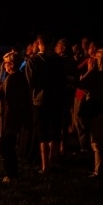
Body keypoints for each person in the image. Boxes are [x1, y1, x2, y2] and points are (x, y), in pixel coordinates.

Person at [25, 33, 69, 173]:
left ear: (39, 43)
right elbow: (63, 81)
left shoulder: (34, 61)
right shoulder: (60, 61)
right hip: (56, 99)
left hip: (39, 100)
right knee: (54, 130)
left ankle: (45, 166)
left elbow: (30, 82)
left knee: (42, 132)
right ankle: (52, 161)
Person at [0, 51, 32, 183]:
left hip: (10, 118)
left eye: (6, 63)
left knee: (4, 146)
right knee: (9, 146)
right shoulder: (19, 77)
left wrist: (3, 122)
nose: (4, 66)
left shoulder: (12, 79)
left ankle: (11, 174)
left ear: (12, 64)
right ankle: (13, 174)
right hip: (14, 117)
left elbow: (7, 101)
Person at [78, 48, 103, 177]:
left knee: (97, 141)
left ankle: (100, 170)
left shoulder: (100, 74)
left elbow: (81, 84)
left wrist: (90, 70)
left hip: (99, 110)